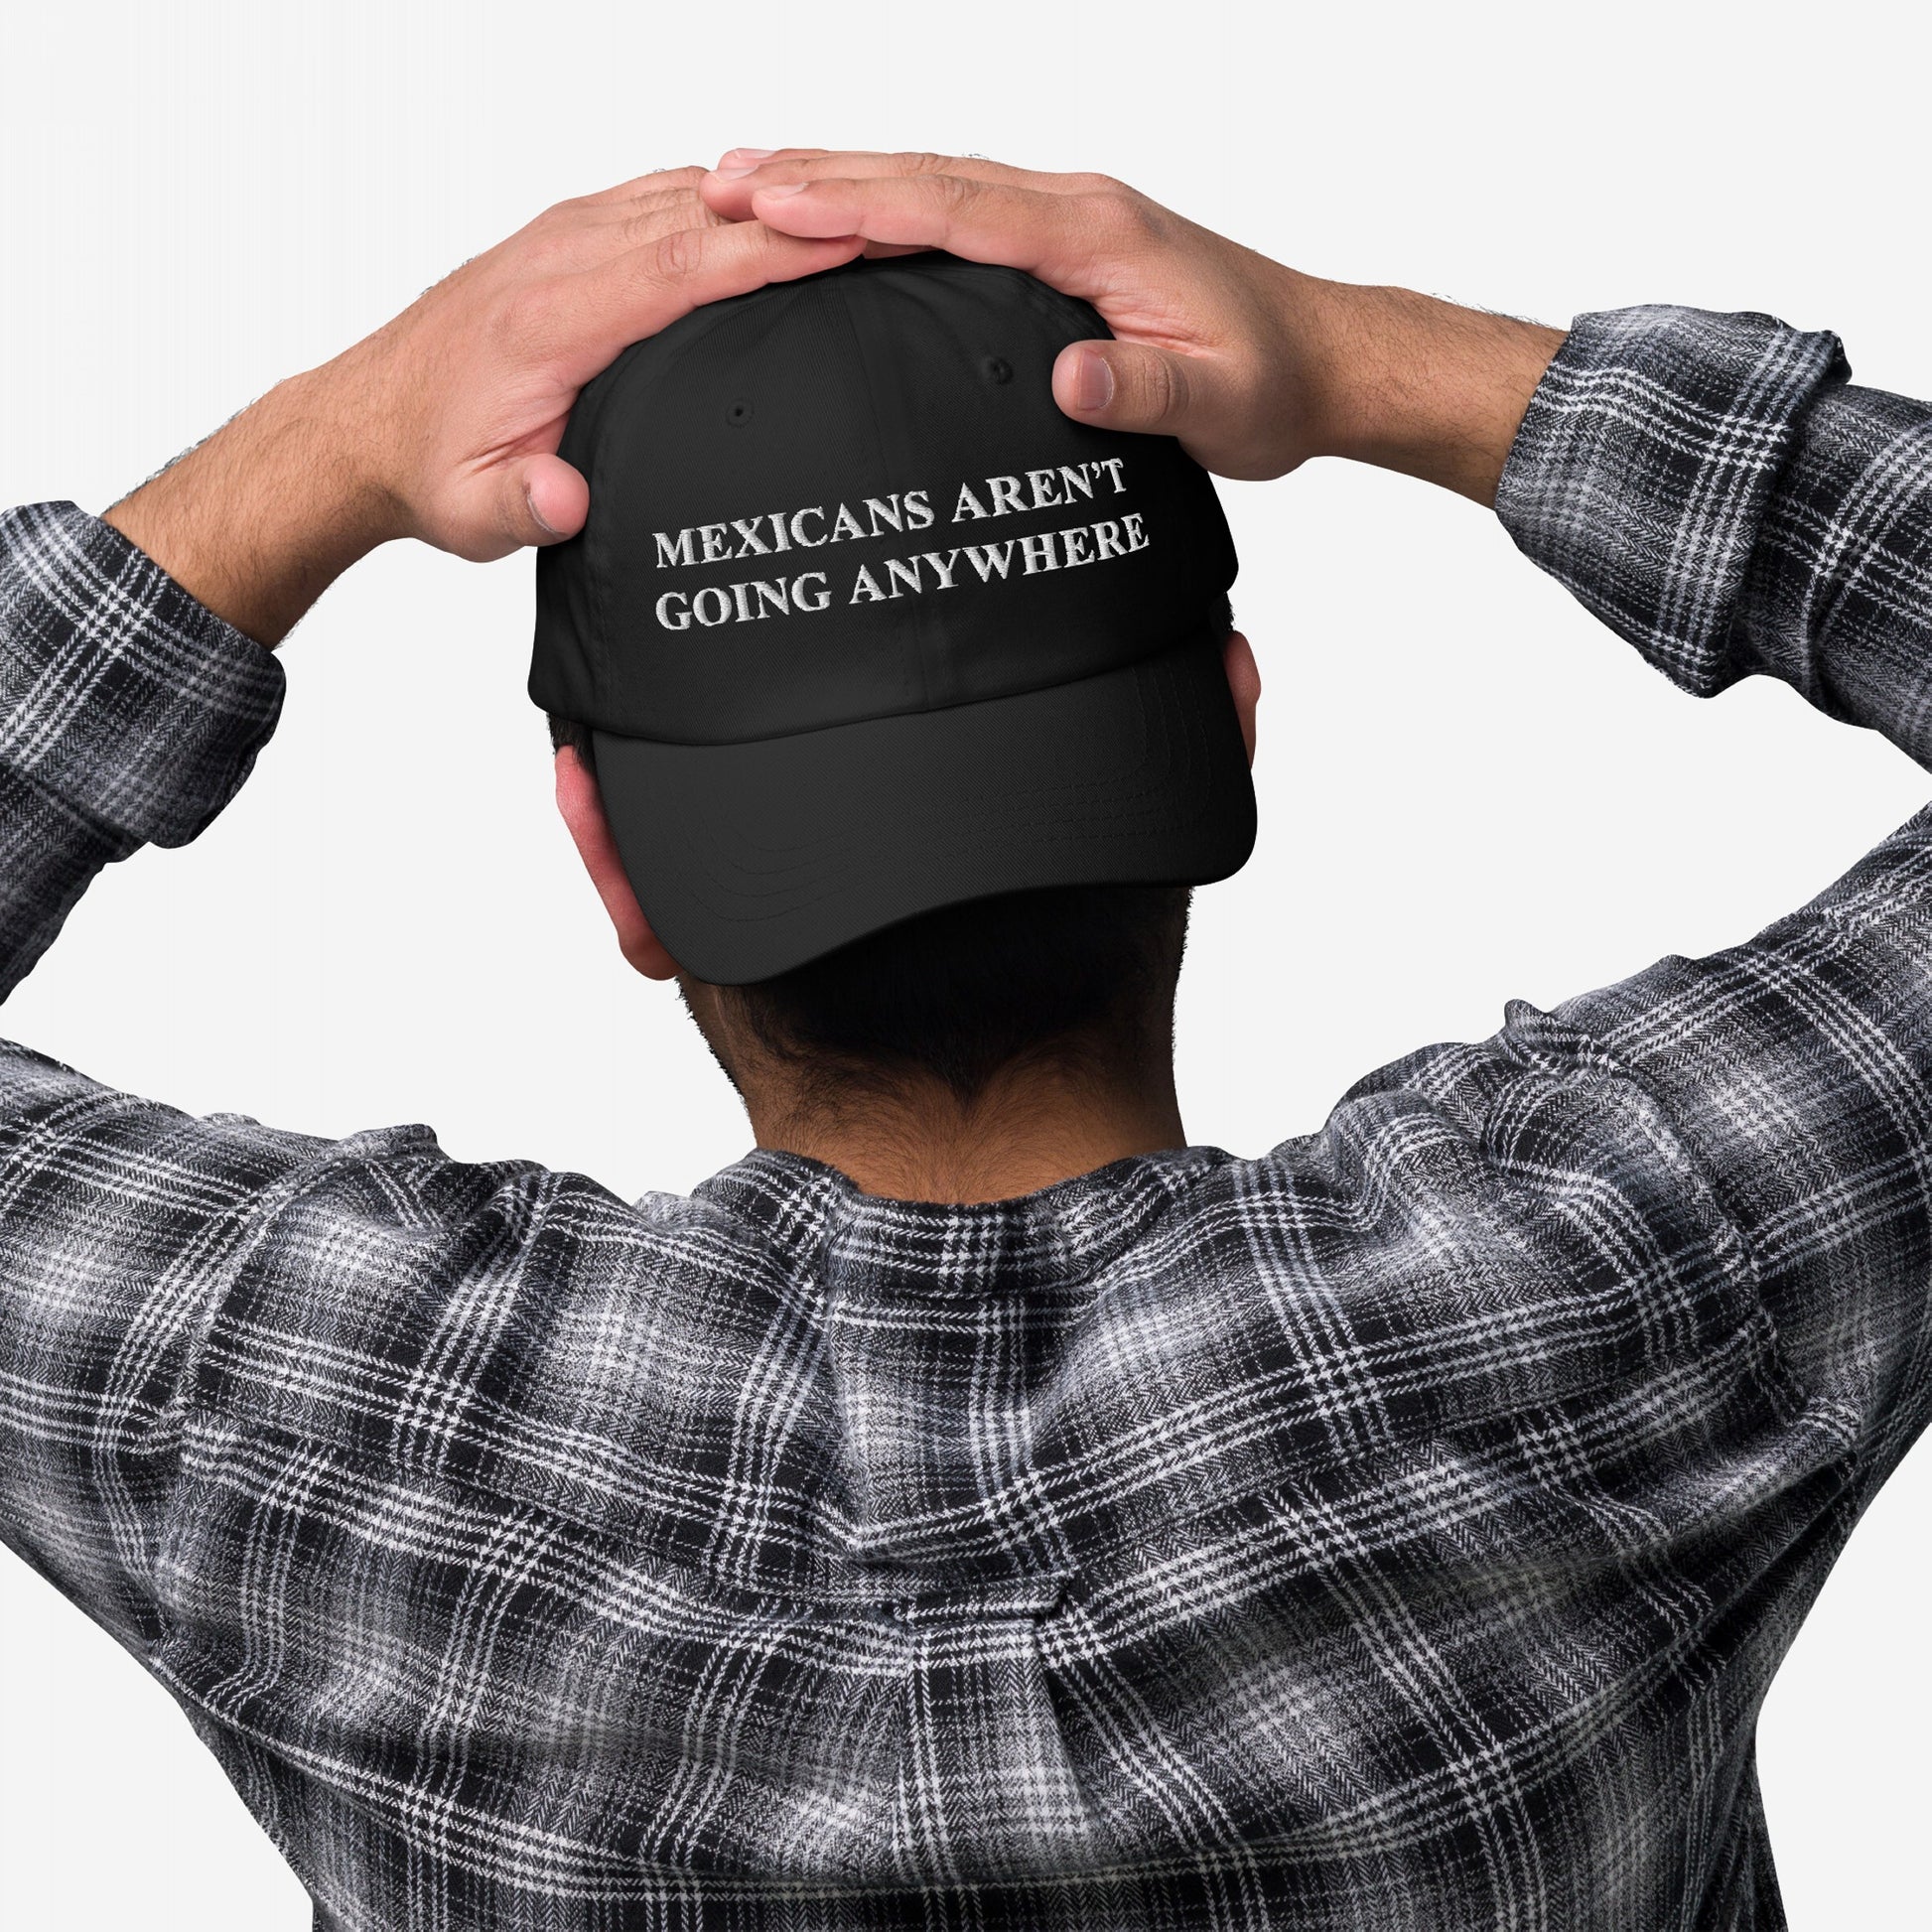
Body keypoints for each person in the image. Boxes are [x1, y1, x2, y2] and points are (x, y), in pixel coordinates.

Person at [0, 145, 1925, 1930]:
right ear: (1229, 735)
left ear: (612, 859)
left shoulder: (284, 1407)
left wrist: (318, 454)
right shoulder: (1609, 1290)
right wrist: (1369, 365)